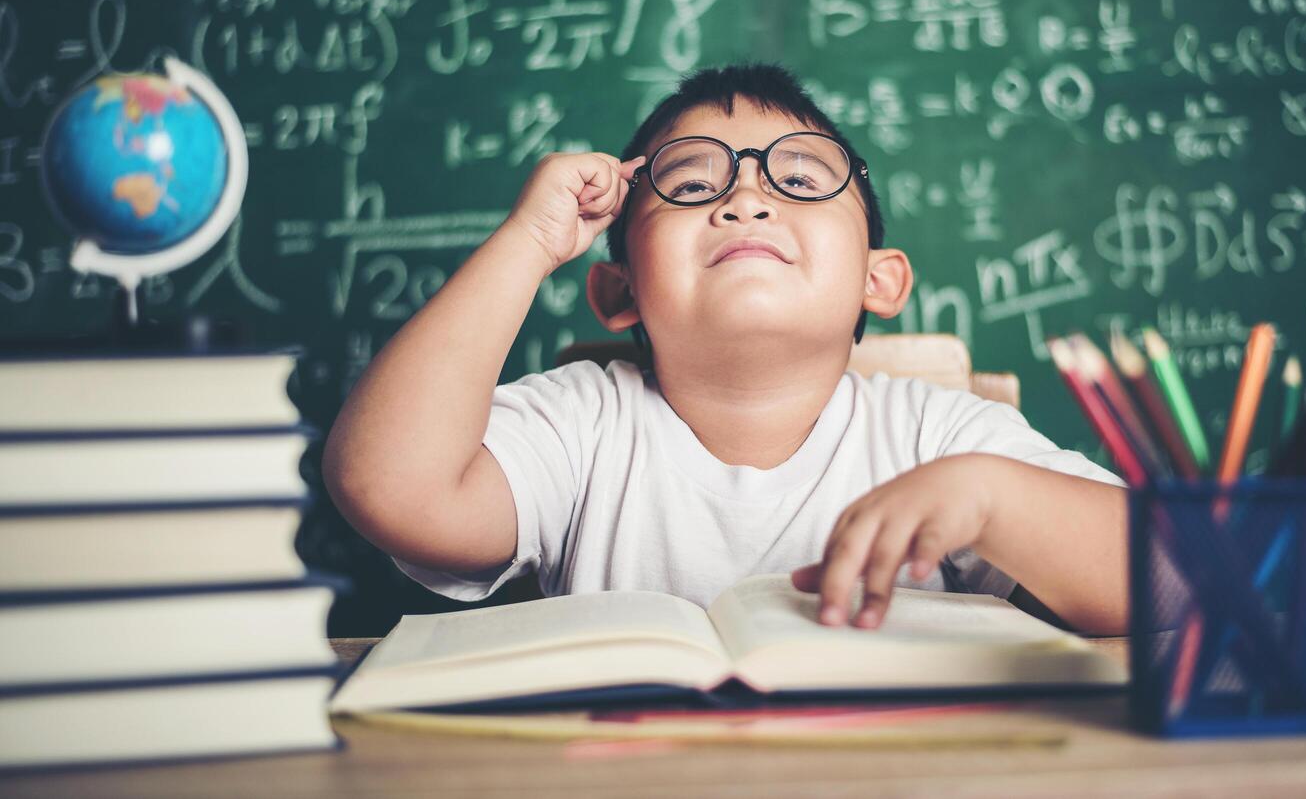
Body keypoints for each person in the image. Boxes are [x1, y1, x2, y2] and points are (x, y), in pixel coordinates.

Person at [323, 63, 1129, 633]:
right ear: (618, 291)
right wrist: (528, 242)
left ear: (877, 282)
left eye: (802, 183)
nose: (746, 197)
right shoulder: (582, 422)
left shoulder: (939, 439)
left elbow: (1168, 586)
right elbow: (390, 489)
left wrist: (990, 499)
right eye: (693, 186)